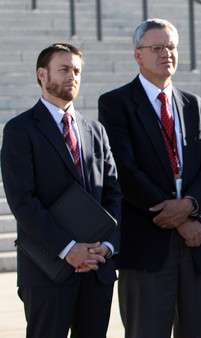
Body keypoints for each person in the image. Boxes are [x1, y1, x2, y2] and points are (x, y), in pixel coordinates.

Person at [98, 18, 201, 338]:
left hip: (199, 244)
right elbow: (124, 169)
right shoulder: (116, 104)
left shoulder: (195, 105)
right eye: (157, 48)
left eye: (171, 47)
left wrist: (191, 206)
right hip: (147, 244)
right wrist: (179, 218)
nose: (166, 53)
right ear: (138, 55)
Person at [0, 43, 121, 338]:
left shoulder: (95, 130)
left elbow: (114, 193)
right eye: (64, 69)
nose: (73, 76)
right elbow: (22, 201)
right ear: (42, 75)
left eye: (77, 70)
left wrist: (106, 246)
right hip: (47, 270)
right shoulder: (20, 130)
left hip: (97, 269)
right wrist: (67, 249)